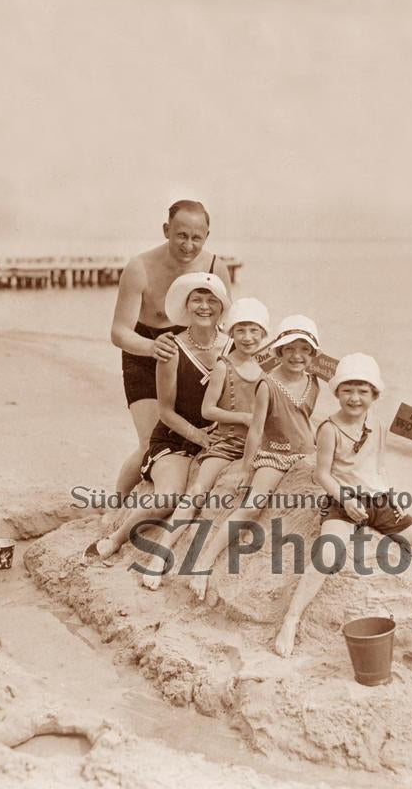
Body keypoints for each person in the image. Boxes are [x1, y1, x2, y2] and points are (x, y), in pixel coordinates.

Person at [274, 352, 412, 657]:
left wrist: (392, 496)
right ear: (337, 392)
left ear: (374, 395)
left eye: (363, 391)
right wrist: (346, 500)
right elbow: (321, 474)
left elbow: (378, 468)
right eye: (348, 390)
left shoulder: (377, 425)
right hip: (342, 499)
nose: (355, 398)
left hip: (378, 500)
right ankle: (292, 618)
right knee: (328, 553)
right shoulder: (328, 428)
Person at [83, 272, 232, 561]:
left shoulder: (233, 345)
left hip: (219, 439)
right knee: (169, 497)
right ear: (185, 306)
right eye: (197, 300)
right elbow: (165, 411)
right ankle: (115, 539)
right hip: (176, 438)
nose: (204, 306)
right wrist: (200, 437)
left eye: (212, 300)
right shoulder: (171, 348)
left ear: (222, 307)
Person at [187, 315, 322, 601]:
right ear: (279, 351)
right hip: (274, 455)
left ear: (312, 354)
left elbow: (308, 416)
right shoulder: (267, 384)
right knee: (251, 507)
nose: (297, 356)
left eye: (304, 350)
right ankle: (203, 562)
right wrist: (246, 470)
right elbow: (256, 430)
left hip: (304, 453)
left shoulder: (314, 383)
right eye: (290, 349)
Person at [142, 297, 270, 590]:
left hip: (258, 443)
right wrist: (243, 417)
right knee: (198, 490)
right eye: (241, 331)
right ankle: (159, 556)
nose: (248, 338)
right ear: (231, 334)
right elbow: (207, 410)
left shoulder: (267, 368)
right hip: (226, 442)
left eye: (254, 331)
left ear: (264, 335)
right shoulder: (224, 366)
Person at [111, 200, 232, 496]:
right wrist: (152, 347)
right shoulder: (140, 268)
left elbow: (226, 324)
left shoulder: (216, 267)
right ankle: (117, 501)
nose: (188, 245)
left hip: (194, 356)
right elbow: (118, 332)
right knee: (150, 444)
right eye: (181, 235)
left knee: (190, 440)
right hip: (145, 353)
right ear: (167, 230)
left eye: (196, 237)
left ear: (206, 236)